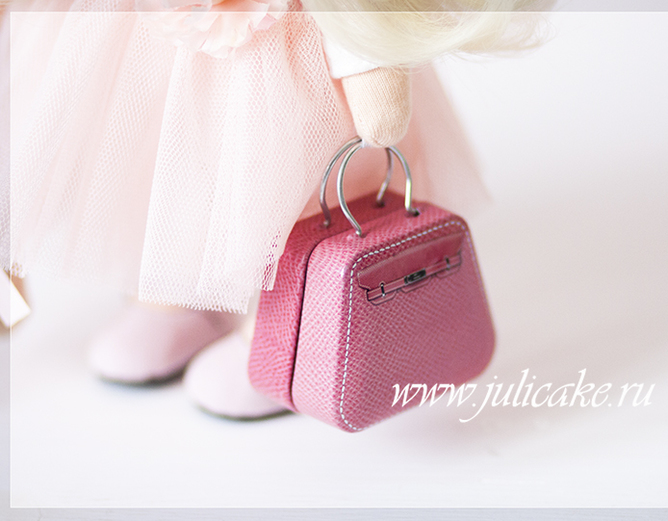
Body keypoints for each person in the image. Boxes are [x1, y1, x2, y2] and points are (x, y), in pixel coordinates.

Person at [1, 0, 552, 419]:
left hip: (286, 51)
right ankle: (173, 297)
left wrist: (370, 64)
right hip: (141, 37)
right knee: (161, 164)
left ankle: (277, 333)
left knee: (291, 188)